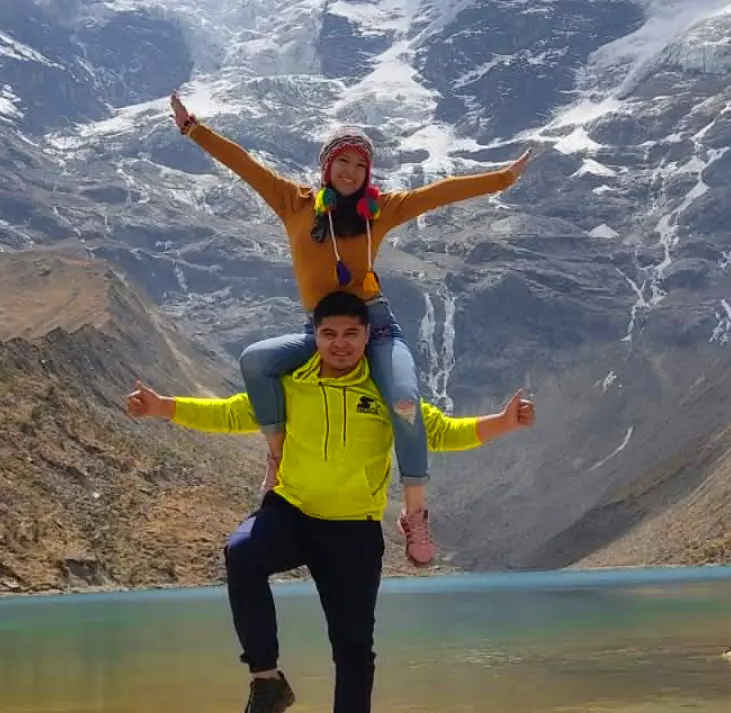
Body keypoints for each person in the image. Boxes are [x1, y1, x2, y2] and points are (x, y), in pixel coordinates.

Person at [125, 290, 536, 713]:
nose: (340, 344)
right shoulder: (293, 384)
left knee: (353, 647)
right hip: (291, 512)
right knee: (243, 552)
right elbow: (233, 414)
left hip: (353, 532)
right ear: (313, 337)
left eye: (351, 334)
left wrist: (504, 422)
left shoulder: (388, 393)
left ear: (368, 337)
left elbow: (442, 432)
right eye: (329, 334)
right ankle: (266, 678)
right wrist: (163, 407)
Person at [169, 91, 534, 568]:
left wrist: (502, 178)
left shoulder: (377, 211)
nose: (350, 172)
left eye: (359, 166)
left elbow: (439, 193)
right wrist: (193, 128)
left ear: (368, 174)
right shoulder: (293, 202)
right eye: (342, 162)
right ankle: (276, 458)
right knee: (256, 361)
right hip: (322, 331)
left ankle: (416, 514)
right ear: (327, 167)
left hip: (375, 329)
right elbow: (245, 165)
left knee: (404, 401)